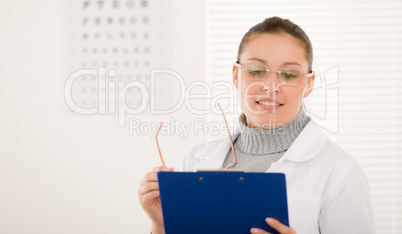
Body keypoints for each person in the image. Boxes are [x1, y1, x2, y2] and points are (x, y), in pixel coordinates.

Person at [138, 17, 376, 234]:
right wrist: (161, 225)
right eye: (256, 70)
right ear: (235, 75)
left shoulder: (340, 172)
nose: (271, 86)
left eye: (289, 74)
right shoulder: (195, 161)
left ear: (309, 83)